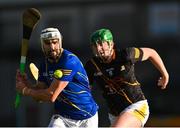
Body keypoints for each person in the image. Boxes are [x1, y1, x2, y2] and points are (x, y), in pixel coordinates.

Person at [84, 28, 169, 127]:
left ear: (110, 44)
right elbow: (86, 90)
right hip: (114, 114)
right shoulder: (92, 65)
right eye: (95, 45)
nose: (98, 48)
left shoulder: (126, 55)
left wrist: (165, 74)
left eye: (101, 44)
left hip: (136, 106)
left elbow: (151, 53)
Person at [16, 27, 99, 128]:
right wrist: (27, 84)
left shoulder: (68, 61)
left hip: (86, 117)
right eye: (47, 43)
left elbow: (51, 95)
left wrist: (25, 90)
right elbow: (40, 95)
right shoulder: (44, 65)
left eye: (55, 42)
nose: (52, 47)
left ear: (60, 42)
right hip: (62, 116)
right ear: (42, 45)